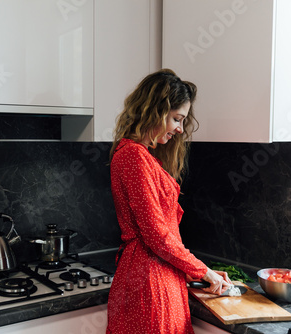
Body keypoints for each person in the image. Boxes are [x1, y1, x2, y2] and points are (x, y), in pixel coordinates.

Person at [106, 69, 232, 334]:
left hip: (156, 275)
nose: (180, 129)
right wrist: (203, 271)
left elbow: (163, 236)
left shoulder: (138, 156)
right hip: (149, 282)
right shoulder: (134, 157)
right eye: (177, 118)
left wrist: (194, 270)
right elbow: (156, 235)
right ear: (155, 110)